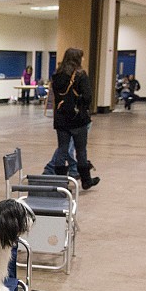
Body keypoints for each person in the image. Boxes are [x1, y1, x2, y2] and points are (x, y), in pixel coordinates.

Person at [51, 47, 100, 189]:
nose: (83, 59)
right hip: (78, 119)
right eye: (82, 57)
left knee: (62, 149)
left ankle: (61, 183)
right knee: (81, 150)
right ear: (77, 58)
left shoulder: (57, 74)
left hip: (61, 118)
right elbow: (88, 97)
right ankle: (86, 180)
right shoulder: (80, 74)